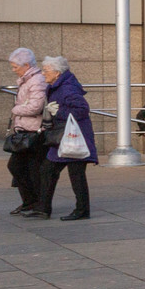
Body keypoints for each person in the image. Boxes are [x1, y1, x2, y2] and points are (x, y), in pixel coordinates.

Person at [38, 56, 95, 221]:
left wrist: (58, 112)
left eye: (45, 71)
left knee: (74, 174)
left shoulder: (67, 88)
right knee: (49, 170)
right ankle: (43, 208)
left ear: (57, 73)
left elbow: (82, 110)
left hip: (74, 138)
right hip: (65, 137)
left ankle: (82, 210)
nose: (43, 74)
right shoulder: (59, 86)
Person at [6, 48, 48, 217]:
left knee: (25, 167)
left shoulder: (36, 81)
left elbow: (35, 107)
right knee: (22, 167)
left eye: (15, 66)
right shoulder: (27, 80)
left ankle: (34, 203)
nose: (13, 69)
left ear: (26, 65)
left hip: (33, 132)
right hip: (26, 130)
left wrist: (16, 109)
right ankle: (30, 202)